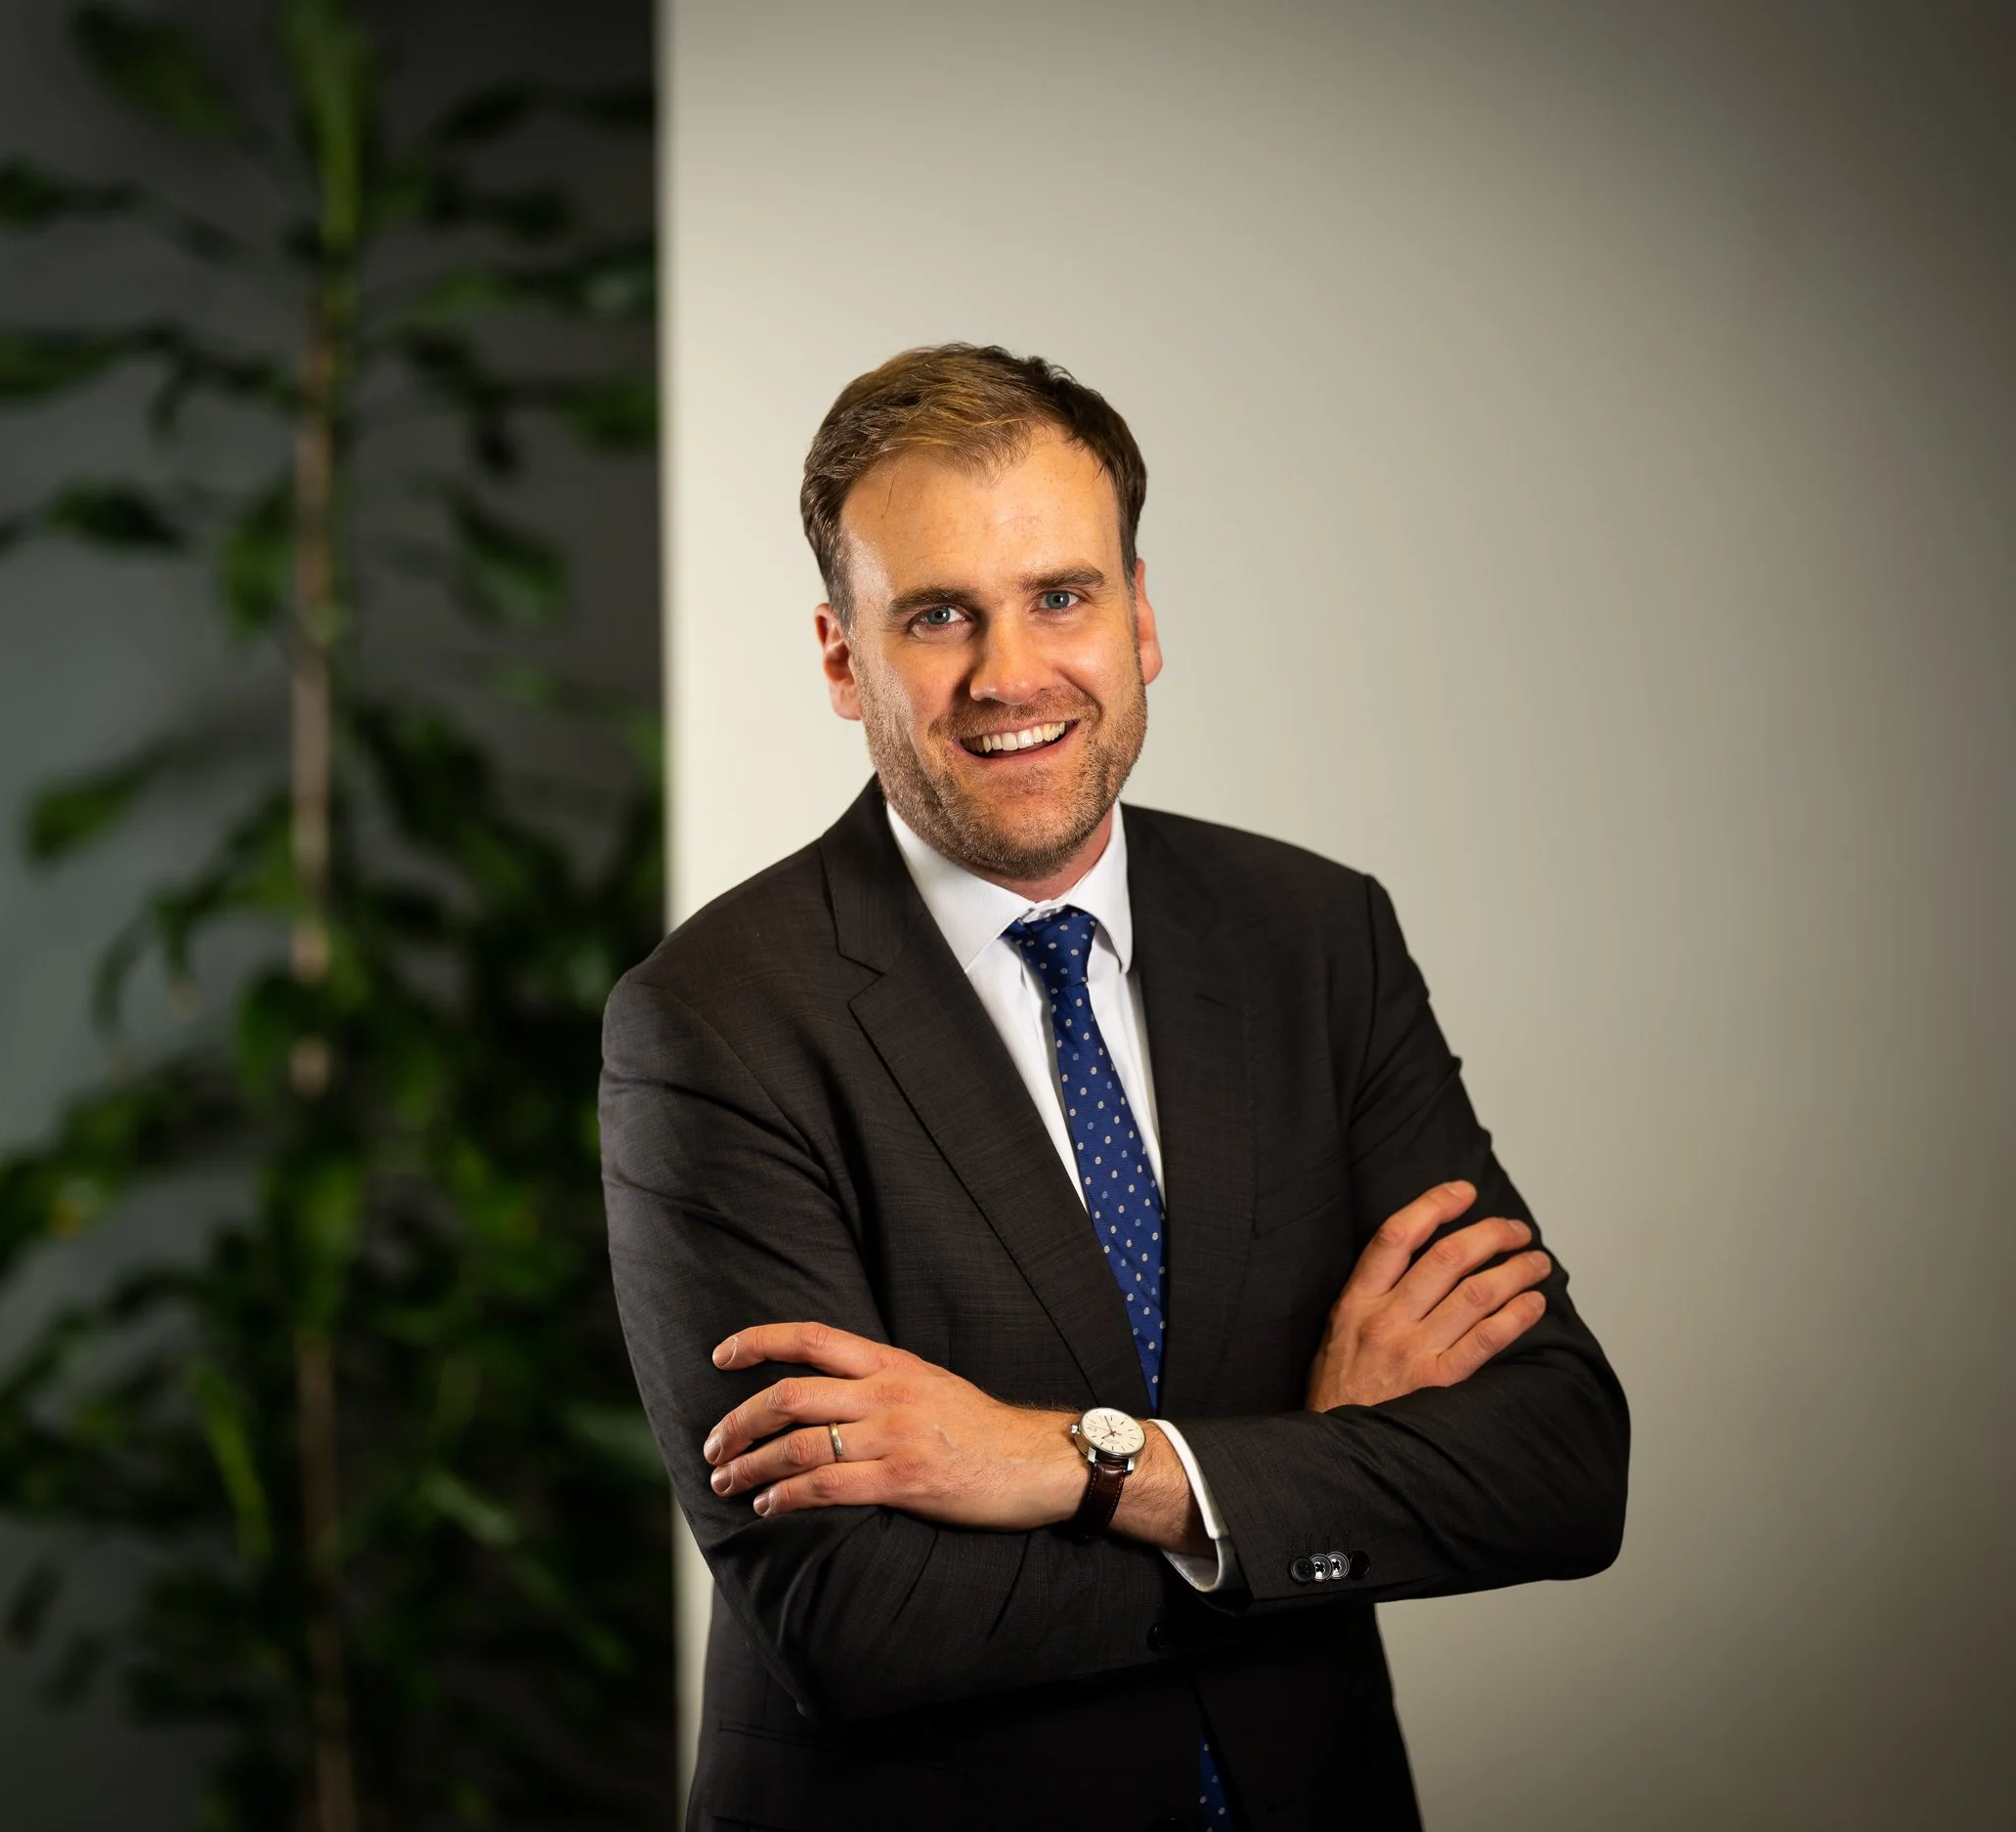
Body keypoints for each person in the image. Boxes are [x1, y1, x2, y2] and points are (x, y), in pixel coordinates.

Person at [600, 344, 1628, 1832]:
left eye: (1061, 597)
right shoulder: (715, 1021)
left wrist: (1064, 1462)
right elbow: (853, 1613)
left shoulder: (1315, 939)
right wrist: (1300, 1475)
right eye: (939, 615)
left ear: (1141, 617)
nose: (1011, 674)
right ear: (842, 657)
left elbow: (1558, 1466)